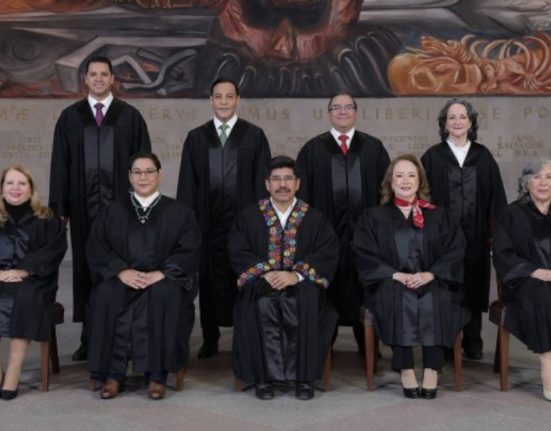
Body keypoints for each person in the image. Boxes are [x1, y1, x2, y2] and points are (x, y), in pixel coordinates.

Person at [49, 55, 151, 362]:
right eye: (92, 74)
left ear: (112, 79)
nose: (98, 79)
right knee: (86, 270)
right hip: (83, 210)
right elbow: (60, 165)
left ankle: (124, 335)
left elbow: (143, 165)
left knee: (122, 267)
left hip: (122, 210)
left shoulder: (130, 117)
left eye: (103, 74)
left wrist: (142, 203)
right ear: (85, 79)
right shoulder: (70, 117)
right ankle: (89, 337)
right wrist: (60, 207)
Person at [86, 152, 200, 400]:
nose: (143, 177)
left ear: (159, 175)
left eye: (149, 171)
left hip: (162, 278)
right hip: (122, 277)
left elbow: (189, 250)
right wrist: (121, 271)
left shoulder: (180, 212)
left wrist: (163, 272)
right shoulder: (112, 211)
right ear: (129, 176)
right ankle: (113, 375)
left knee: (163, 294)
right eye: (137, 172)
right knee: (106, 294)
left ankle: (156, 375)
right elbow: (97, 247)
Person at [353, 154, 468, 399]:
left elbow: (455, 250)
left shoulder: (439, 215)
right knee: (398, 295)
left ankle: (432, 369)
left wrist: (431, 274)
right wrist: (395, 275)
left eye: (411, 175)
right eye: (399, 175)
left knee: (435, 296)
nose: (405, 181)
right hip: (391, 282)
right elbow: (364, 253)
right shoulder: (373, 217)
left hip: (432, 280)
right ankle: (405, 368)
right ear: (390, 182)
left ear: (420, 181)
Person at [229, 156, 339, 400]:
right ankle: (263, 378)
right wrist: (266, 272)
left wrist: (296, 275)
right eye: (276, 179)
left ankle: (304, 378)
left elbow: (327, 252)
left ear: (297, 183)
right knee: (261, 302)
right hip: (261, 281)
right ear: (267, 184)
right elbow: (238, 250)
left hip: (301, 283)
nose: (282, 185)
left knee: (305, 301)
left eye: (288, 179)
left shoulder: (314, 218)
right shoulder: (249, 216)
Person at [177, 77, 271, 359]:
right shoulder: (196, 137)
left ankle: (244, 335)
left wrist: (260, 223)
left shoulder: (254, 136)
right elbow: (187, 184)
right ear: (210, 101)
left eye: (229, 96)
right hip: (207, 224)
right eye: (218, 97)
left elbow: (262, 183)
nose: (224, 102)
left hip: (244, 224)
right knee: (207, 278)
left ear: (238, 100)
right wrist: (186, 224)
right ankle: (210, 337)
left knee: (244, 276)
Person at [296, 93, 389, 351]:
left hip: (366, 238)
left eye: (348, 107)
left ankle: (367, 344)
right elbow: (302, 199)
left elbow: (386, 194)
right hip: (326, 239)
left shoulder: (373, 148)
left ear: (356, 112)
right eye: (336, 107)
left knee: (364, 285)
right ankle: (325, 344)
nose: (343, 111)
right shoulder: (313, 150)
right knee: (327, 287)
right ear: (329, 113)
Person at [421, 98, 506, 360]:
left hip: (476, 237)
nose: (457, 122)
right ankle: (446, 343)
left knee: (472, 285)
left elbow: (496, 199)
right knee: (444, 286)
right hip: (441, 240)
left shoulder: (483, 156)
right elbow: (421, 198)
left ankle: (473, 340)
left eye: (462, 117)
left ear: (471, 123)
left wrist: (496, 236)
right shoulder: (433, 157)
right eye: (452, 117)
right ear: (444, 124)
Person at [0, 166, 67, 400]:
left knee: (26, 295)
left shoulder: (47, 218)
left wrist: (24, 270)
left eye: (22, 183)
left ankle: (13, 370)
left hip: (35, 280)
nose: (15, 188)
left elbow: (53, 251)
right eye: (10, 183)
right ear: (2, 188)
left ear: (31, 189)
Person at [493, 157, 551, 401]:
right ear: (526, 182)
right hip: (523, 282)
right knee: (543, 292)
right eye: (536, 177)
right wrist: (538, 272)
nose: (543, 183)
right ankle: (548, 364)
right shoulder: (511, 214)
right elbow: (503, 254)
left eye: (549, 177)